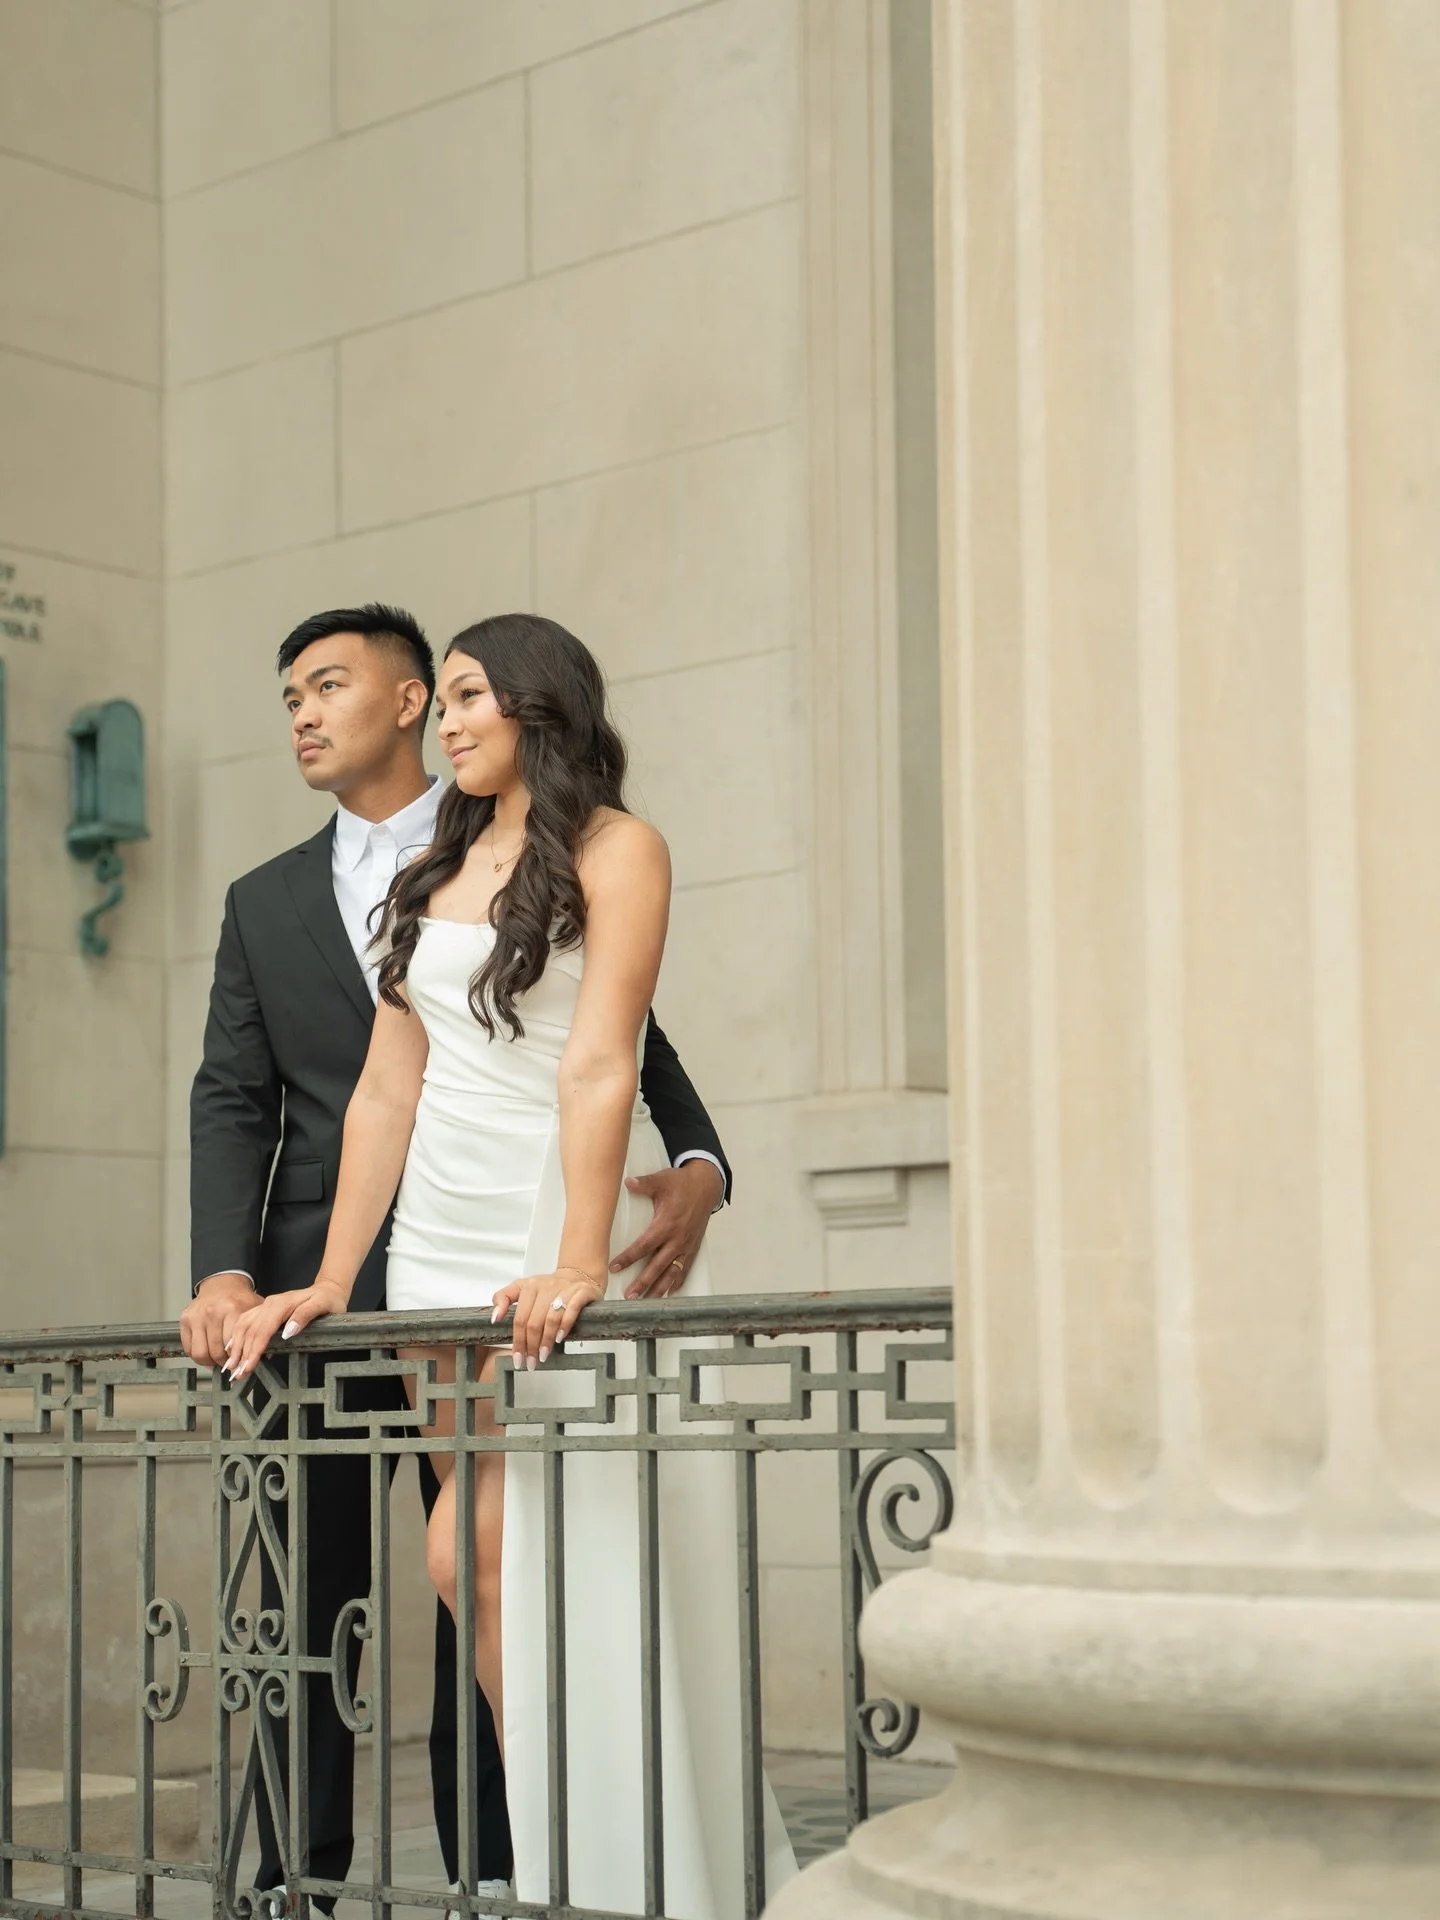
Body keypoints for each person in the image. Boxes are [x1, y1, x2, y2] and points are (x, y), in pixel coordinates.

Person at [225, 614, 796, 1916]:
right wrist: (329, 1276)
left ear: (538, 705)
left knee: (554, 1560)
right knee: (475, 1559)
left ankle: (625, 1863)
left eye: (472, 699)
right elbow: (385, 1091)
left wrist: (580, 1258)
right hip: (432, 1244)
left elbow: (602, 1061)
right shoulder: (432, 862)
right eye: (451, 704)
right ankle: (564, 1855)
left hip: (544, 1236)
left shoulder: (619, 848)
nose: (453, 724)